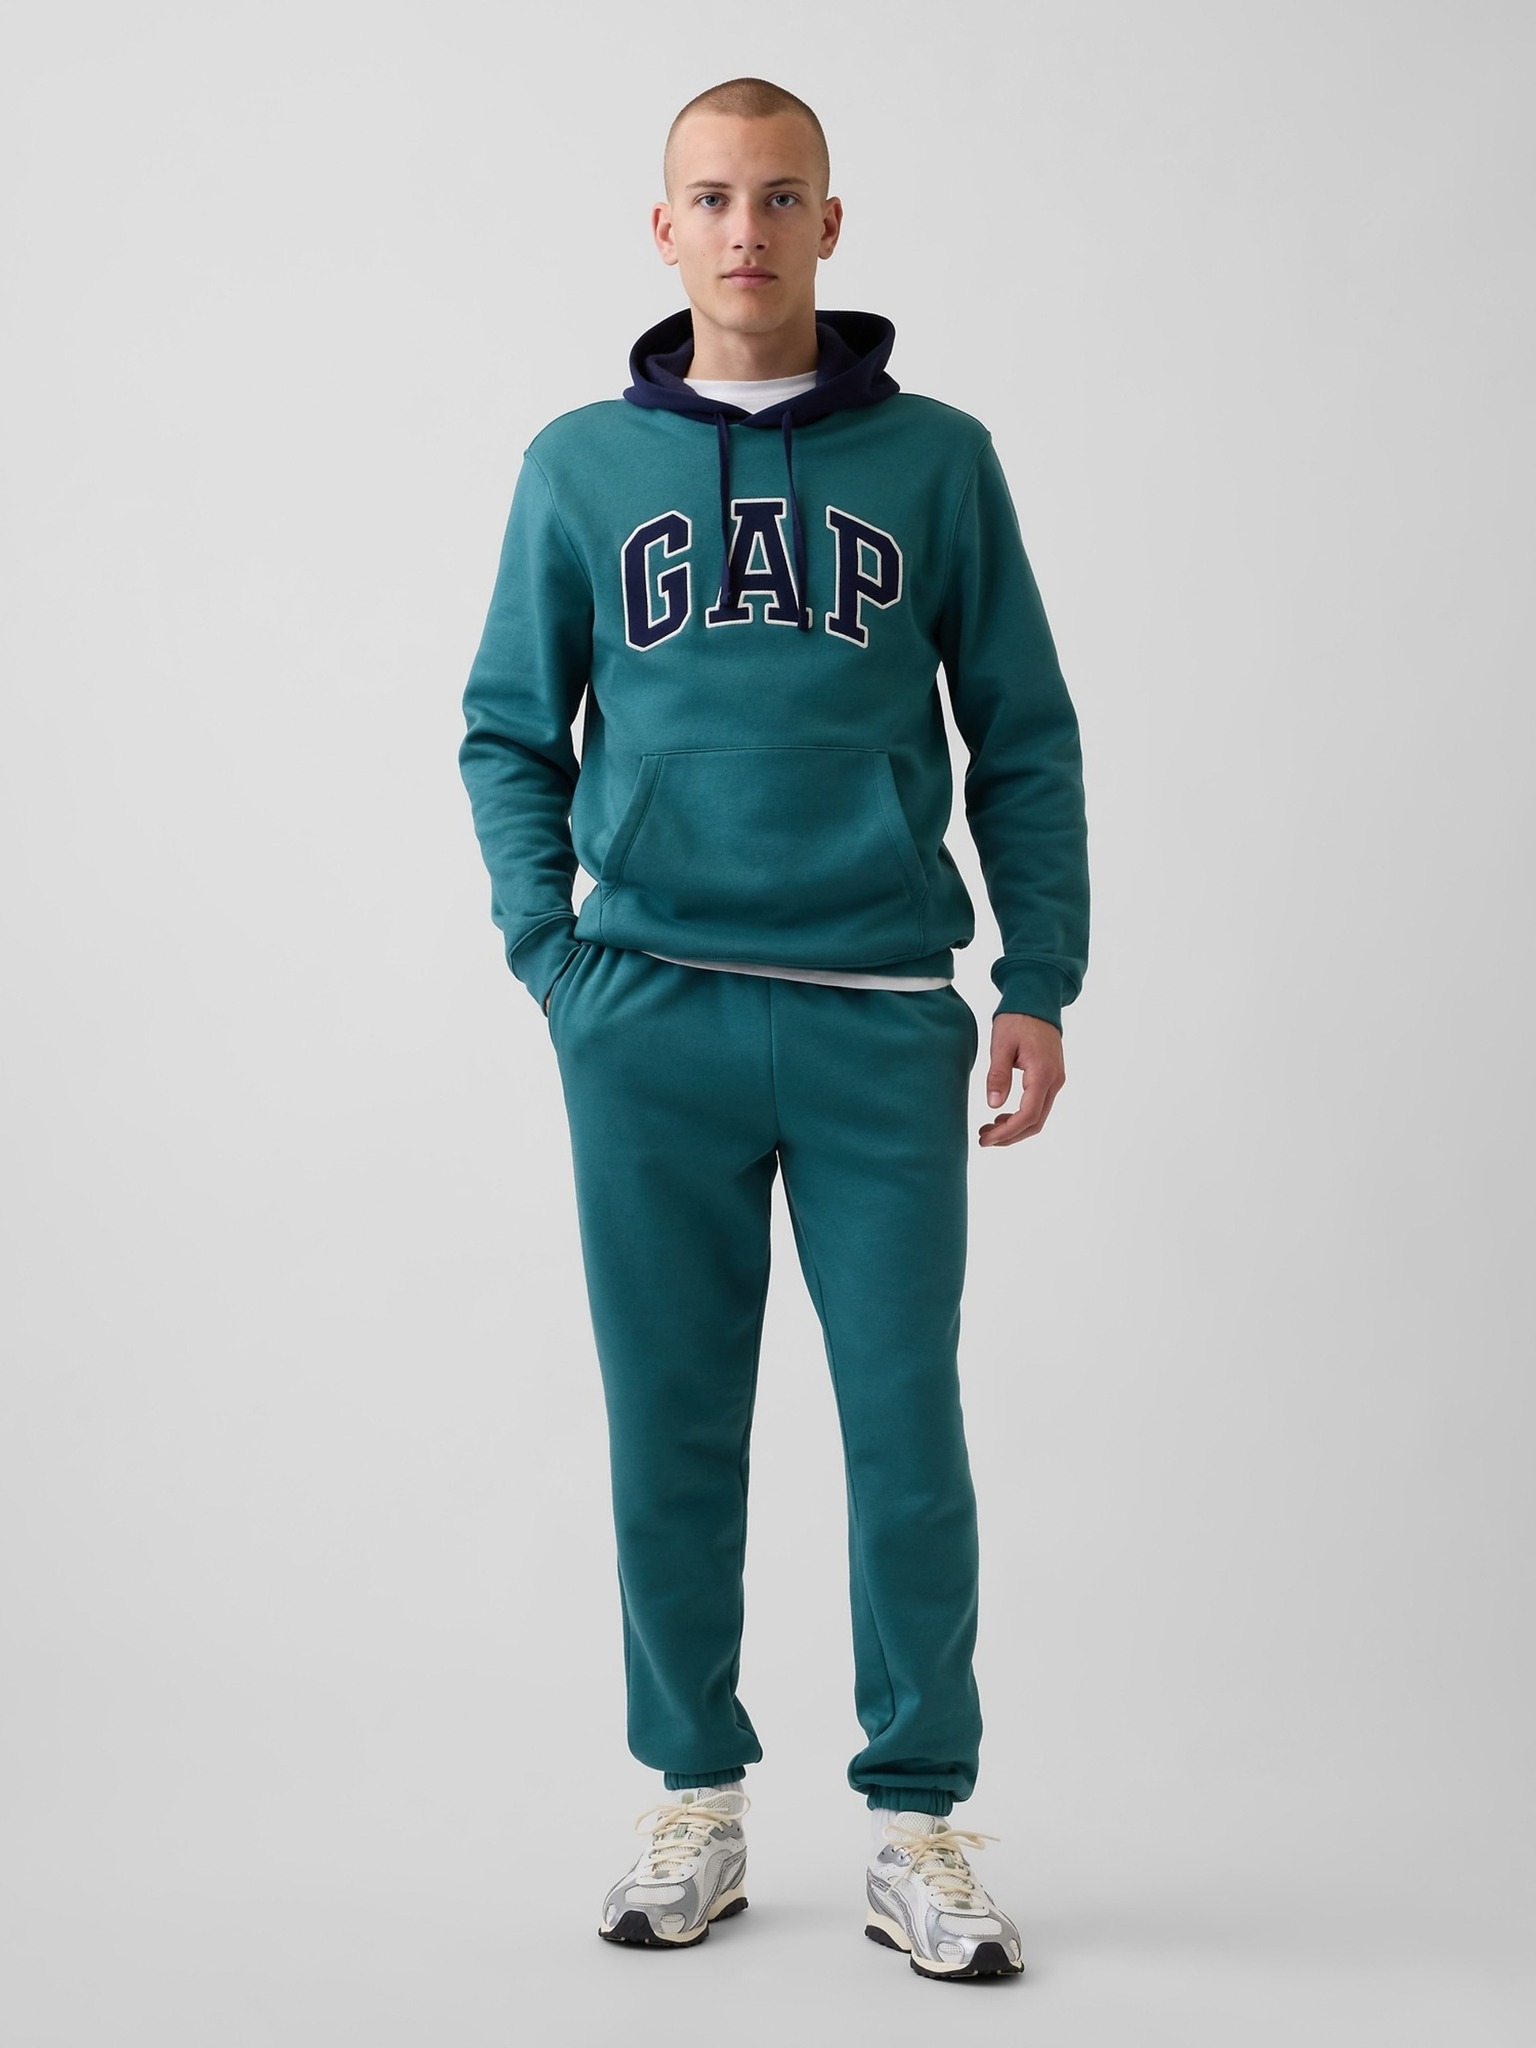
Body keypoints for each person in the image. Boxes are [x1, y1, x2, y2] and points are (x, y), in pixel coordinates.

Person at [457, 75, 1089, 1983]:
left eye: (781, 196)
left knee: (906, 1428)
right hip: (647, 1014)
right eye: (715, 198)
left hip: (882, 1015)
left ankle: (918, 1821)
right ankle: (695, 1801)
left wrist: (1038, 979)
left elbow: (1024, 731)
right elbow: (507, 728)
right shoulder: (580, 466)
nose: (748, 229)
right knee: (671, 1423)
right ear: (665, 230)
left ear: (831, 221)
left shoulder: (938, 460)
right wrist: (552, 958)